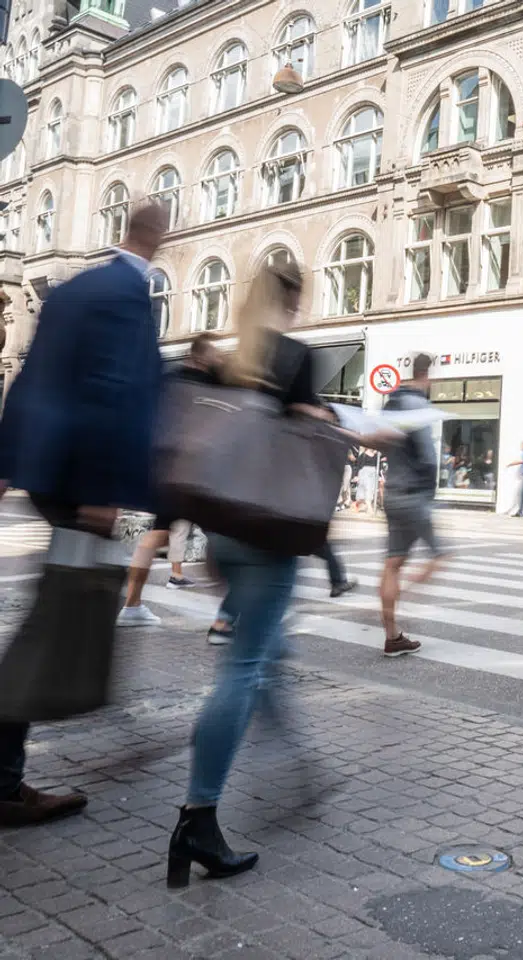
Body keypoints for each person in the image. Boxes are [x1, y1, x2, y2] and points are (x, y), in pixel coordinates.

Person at [0, 202, 168, 826]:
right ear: (155, 236)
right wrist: (103, 490)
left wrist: (7, 460)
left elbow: (27, 375)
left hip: (52, 476)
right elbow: (114, 389)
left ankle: (12, 766)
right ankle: (6, 778)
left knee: (64, 608)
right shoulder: (129, 293)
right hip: (80, 486)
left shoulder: (75, 289)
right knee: (57, 619)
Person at [170, 259, 335, 886]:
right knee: (243, 669)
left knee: (253, 659)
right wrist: (336, 423)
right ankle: (198, 815)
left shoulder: (230, 360)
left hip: (224, 531)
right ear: (291, 301)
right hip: (270, 531)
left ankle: (256, 750)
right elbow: (308, 432)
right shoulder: (294, 355)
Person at [117, 333, 222, 627]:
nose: (219, 359)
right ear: (202, 355)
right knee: (222, 536)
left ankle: (132, 604)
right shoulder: (210, 383)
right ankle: (232, 614)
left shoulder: (170, 380)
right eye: (215, 354)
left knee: (156, 536)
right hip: (195, 471)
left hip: (166, 467)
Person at [378, 353, 444, 658]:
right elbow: (428, 457)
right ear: (426, 376)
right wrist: (429, 495)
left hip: (392, 491)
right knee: (440, 555)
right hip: (414, 493)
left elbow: (381, 442)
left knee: (394, 563)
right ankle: (407, 597)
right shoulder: (419, 405)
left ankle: (392, 636)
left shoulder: (391, 402)